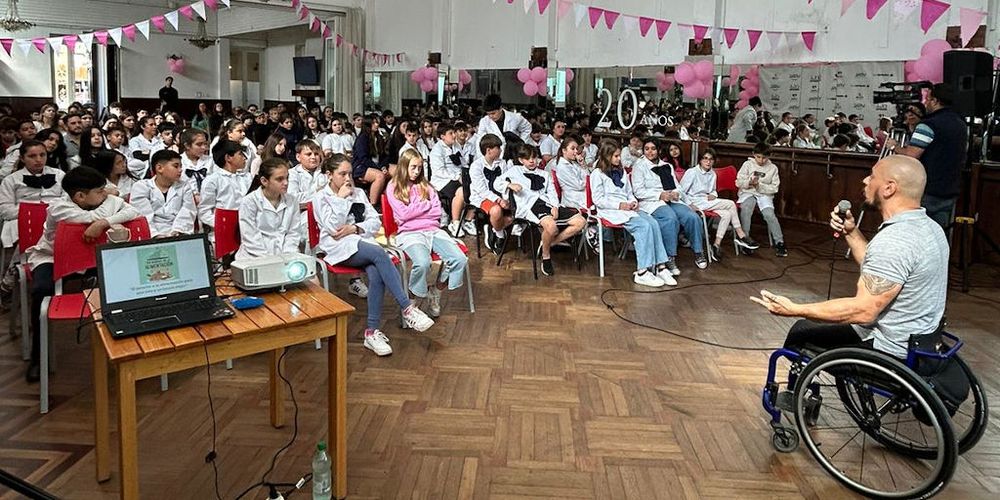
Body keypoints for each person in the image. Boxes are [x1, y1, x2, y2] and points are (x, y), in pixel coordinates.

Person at [751, 155, 948, 360]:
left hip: (890, 350)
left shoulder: (895, 240)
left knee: (800, 333)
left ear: (889, 188)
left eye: (872, 176)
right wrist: (851, 232)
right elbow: (880, 271)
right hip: (923, 345)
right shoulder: (931, 228)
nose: (865, 180)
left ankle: (794, 390)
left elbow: (864, 311)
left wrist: (795, 309)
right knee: (806, 328)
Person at [23, 166, 140, 381]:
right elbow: (91, 217)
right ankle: (37, 358)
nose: (105, 195)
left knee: (122, 285)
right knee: (41, 290)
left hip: (90, 258)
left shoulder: (102, 202)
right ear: (80, 196)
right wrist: (110, 210)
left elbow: (133, 212)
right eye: (100, 191)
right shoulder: (58, 208)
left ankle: (126, 346)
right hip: (52, 257)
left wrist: (104, 223)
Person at [314, 154, 434, 356]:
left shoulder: (359, 193)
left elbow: (374, 223)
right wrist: (340, 199)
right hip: (337, 248)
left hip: (361, 242)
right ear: (329, 175)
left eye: (350, 173)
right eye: (342, 174)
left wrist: (355, 228)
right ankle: (407, 307)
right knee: (379, 254)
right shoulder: (321, 198)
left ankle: (371, 332)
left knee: (376, 270)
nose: (347, 178)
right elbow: (334, 228)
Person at [386, 149, 468, 316]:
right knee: (423, 263)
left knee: (459, 259)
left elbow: (436, 213)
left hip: (432, 230)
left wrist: (414, 209)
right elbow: (402, 215)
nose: (417, 171)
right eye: (413, 167)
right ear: (404, 166)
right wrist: (425, 205)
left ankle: (436, 291)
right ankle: (412, 300)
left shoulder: (427, 186)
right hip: (409, 232)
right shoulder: (393, 186)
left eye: (420, 168)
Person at [495, 144, 587, 276]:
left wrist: (555, 206)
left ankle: (548, 243)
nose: (532, 161)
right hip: (529, 206)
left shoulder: (544, 174)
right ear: (521, 160)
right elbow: (496, 183)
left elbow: (552, 193)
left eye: (534, 158)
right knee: (552, 227)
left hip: (548, 204)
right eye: (528, 159)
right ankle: (546, 256)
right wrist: (509, 184)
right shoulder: (515, 170)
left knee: (581, 222)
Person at [591, 140, 672, 287]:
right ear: (606, 156)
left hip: (627, 208)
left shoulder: (622, 172)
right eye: (615, 156)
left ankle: (660, 265)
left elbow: (629, 193)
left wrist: (633, 201)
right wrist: (619, 205)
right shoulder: (597, 174)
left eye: (619, 156)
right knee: (643, 226)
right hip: (611, 210)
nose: (618, 159)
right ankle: (642, 271)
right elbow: (598, 200)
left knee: (653, 223)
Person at [889, 83, 967, 230]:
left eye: (928, 99)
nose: (925, 103)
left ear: (935, 101)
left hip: (927, 190)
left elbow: (912, 155)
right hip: (950, 188)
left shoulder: (929, 125)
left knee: (917, 233)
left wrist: (894, 146)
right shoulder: (960, 123)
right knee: (937, 234)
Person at [631, 139, 707, 272]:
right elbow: (638, 191)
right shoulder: (639, 166)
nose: (650, 151)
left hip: (671, 200)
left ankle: (698, 252)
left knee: (692, 217)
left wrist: (676, 193)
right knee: (670, 218)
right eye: (646, 149)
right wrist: (660, 195)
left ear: (659, 150)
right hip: (652, 202)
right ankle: (669, 257)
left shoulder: (667, 166)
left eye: (653, 148)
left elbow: (677, 187)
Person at [678, 148, 760, 260]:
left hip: (707, 200)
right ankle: (742, 235)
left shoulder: (712, 173)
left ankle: (716, 245)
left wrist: (714, 195)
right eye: (705, 159)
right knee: (730, 204)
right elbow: (681, 191)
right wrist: (689, 204)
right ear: (700, 160)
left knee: (727, 214)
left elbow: (712, 190)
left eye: (711, 159)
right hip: (695, 202)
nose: (708, 162)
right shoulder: (692, 172)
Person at [235, 157, 302, 261]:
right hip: (255, 257)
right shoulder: (249, 202)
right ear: (264, 181)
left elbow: (293, 233)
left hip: (286, 256)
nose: (286, 183)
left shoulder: (292, 201)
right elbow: (250, 238)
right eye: (280, 179)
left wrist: (287, 256)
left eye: (287, 178)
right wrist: (270, 260)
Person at [130, 149, 196, 237]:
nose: (180, 170)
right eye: (176, 166)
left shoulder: (184, 186)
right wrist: (156, 235)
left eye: (181, 166)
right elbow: (143, 215)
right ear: (159, 168)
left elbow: (188, 211)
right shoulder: (141, 186)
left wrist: (177, 231)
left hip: (179, 234)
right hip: (151, 236)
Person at [736, 142, 787, 257]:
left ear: (769, 156)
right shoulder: (747, 165)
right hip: (748, 193)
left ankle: (779, 242)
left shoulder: (773, 168)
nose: (761, 160)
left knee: (769, 215)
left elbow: (774, 188)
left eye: (764, 158)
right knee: (746, 209)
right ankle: (745, 239)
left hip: (764, 195)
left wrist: (759, 186)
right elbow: (738, 182)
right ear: (754, 154)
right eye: (758, 157)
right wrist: (749, 182)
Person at [198, 140, 251, 241]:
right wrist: (224, 223)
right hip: (224, 232)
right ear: (228, 158)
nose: (244, 158)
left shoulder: (247, 177)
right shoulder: (212, 180)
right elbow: (204, 211)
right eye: (240, 154)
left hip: (248, 229)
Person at [469, 133, 512, 254]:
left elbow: (505, 183)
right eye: (498, 148)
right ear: (488, 150)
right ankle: (499, 235)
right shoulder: (476, 166)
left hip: (500, 196)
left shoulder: (502, 163)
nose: (500, 150)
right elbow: (481, 190)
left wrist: (505, 199)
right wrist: (498, 200)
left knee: (517, 213)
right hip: (483, 197)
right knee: (496, 210)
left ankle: (493, 228)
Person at [472, 94, 532, 160]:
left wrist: (520, 143)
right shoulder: (484, 121)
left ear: (500, 108)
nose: (491, 116)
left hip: (513, 153)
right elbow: (480, 140)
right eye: (488, 114)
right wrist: (482, 158)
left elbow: (527, 128)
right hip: (495, 154)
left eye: (493, 113)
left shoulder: (515, 118)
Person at [350, 115, 389, 205]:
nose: (377, 124)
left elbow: (384, 155)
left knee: (397, 171)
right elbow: (363, 158)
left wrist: (383, 166)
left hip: (377, 165)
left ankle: (389, 199)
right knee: (380, 176)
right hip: (361, 167)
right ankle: (373, 205)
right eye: (374, 123)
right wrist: (379, 168)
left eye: (377, 122)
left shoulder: (378, 137)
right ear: (368, 125)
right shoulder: (362, 138)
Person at [178, 128, 213, 193]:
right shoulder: (179, 162)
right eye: (199, 144)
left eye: (205, 144)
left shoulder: (210, 161)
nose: (204, 147)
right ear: (187, 146)